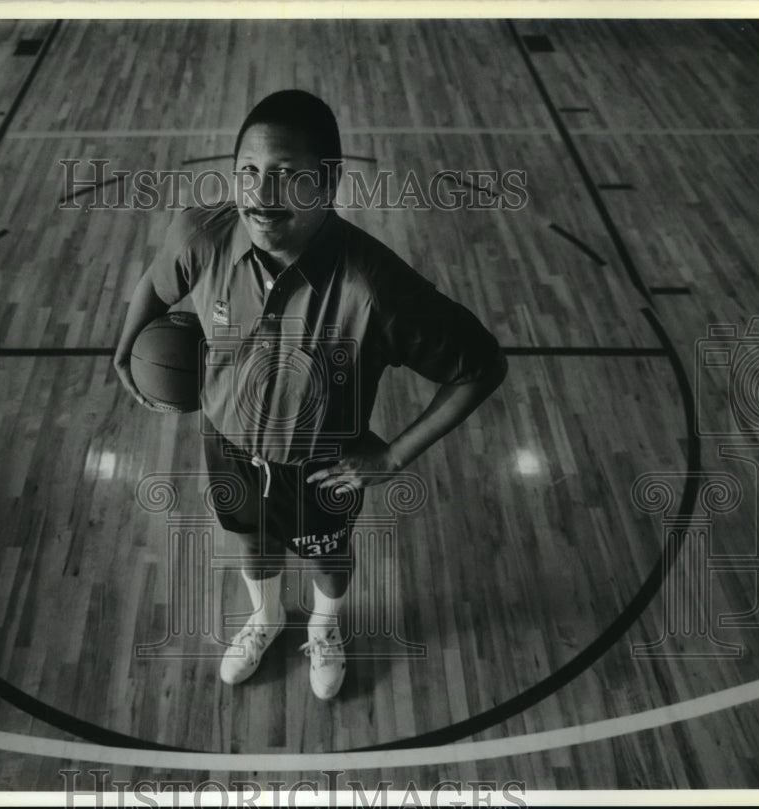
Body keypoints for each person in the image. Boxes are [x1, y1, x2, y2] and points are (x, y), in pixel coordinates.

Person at [115, 90, 507, 700]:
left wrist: (394, 456)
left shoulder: (376, 287)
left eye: (287, 176)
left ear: (329, 182)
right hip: (226, 443)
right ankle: (267, 616)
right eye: (248, 171)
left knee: (327, 556)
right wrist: (127, 342)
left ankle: (325, 628)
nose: (261, 197)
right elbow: (159, 277)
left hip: (323, 464)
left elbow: (480, 366)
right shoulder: (201, 233)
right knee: (250, 538)